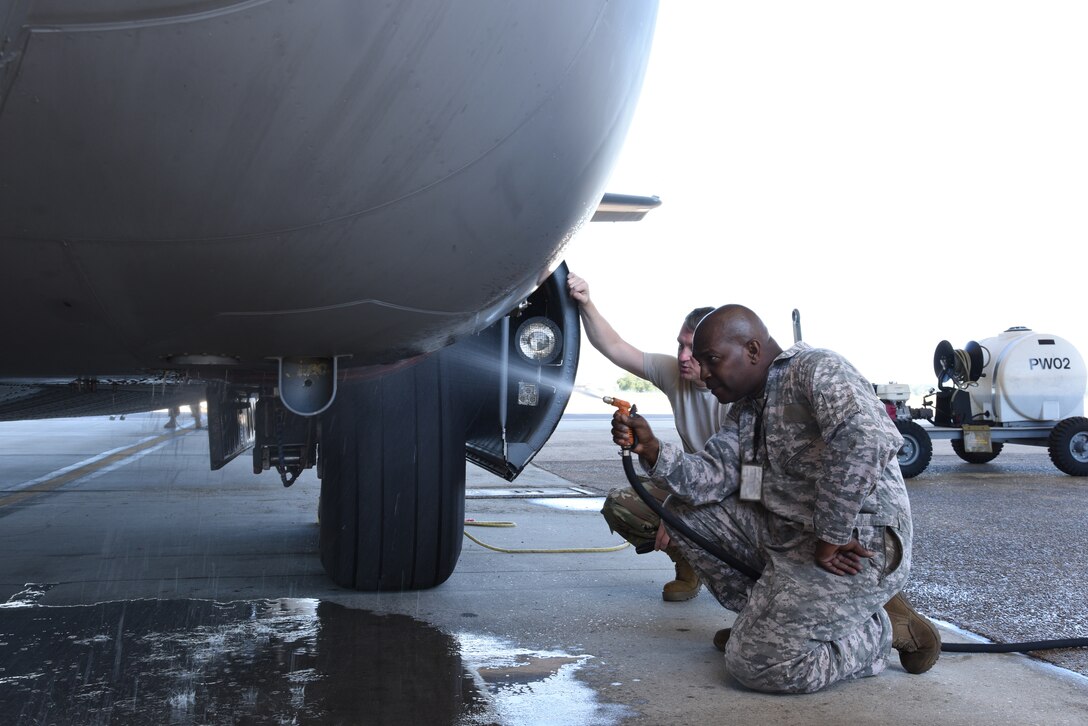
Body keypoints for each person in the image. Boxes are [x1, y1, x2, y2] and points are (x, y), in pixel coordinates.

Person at [610, 304, 940, 694]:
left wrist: (832, 533)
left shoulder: (816, 369)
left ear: (752, 349)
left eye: (711, 360)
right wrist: (651, 451)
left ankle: (878, 632)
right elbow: (710, 478)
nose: (703, 372)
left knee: (756, 665)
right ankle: (765, 620)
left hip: (857, 546)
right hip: (793, 539)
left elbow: (865, 439)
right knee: (684, 511)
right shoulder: (745, 410)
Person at [567, 271, 729, 602]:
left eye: (693, 349)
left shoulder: (737, 397)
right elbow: (613, 346)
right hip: (692, 484)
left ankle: (748, 602)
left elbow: (738, 484)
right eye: (681, 345)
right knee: (622, 505)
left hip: (733, 497)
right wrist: (586, 303)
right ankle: (688, 565)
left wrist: (680, 510)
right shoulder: (676, 373)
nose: (683, 357)